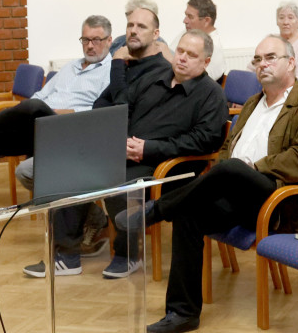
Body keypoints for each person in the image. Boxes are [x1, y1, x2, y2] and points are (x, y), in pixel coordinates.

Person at [137, 35, 298, 333]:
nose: (262, 64)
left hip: (278, 200)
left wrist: (256, 167)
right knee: (189, 215)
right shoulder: (254, 103)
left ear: (291, 63)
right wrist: (235, 170)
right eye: (258, 59)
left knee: (232, 167)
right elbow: (229, 147)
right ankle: (182, 313)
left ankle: (157, 210)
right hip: (237, 193)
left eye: (271, 57)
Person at [23, 30, 227, 278]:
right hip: (127, 152)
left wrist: (148, 149)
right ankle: (65, 256)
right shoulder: (156, 77)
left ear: (206, 61)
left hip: (169, 167)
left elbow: (205, 141)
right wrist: (117, 138)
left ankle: (128, 254)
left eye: (191, 55)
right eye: (180, 51)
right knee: (76, 169)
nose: (182, 58)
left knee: (117, 182)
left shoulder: (211, 94)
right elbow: (123, 105)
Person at [0, 16, 113, 241]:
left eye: (96, 40)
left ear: (109, 40)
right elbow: (40, 95)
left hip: (68, 131)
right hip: (36, 127)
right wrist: (29, 112)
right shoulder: (71, 67)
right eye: (85, 40)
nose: (90, 46)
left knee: (34, 107)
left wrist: (48, 110)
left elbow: (95, 112)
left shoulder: (111, 72)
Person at [170, 0, 226, 81]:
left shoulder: (216, 50)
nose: (185, 21)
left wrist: (169, 58)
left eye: (190, 17)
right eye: (186, 15)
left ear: (206, 21)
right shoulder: (189, 33)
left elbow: (201, 82)